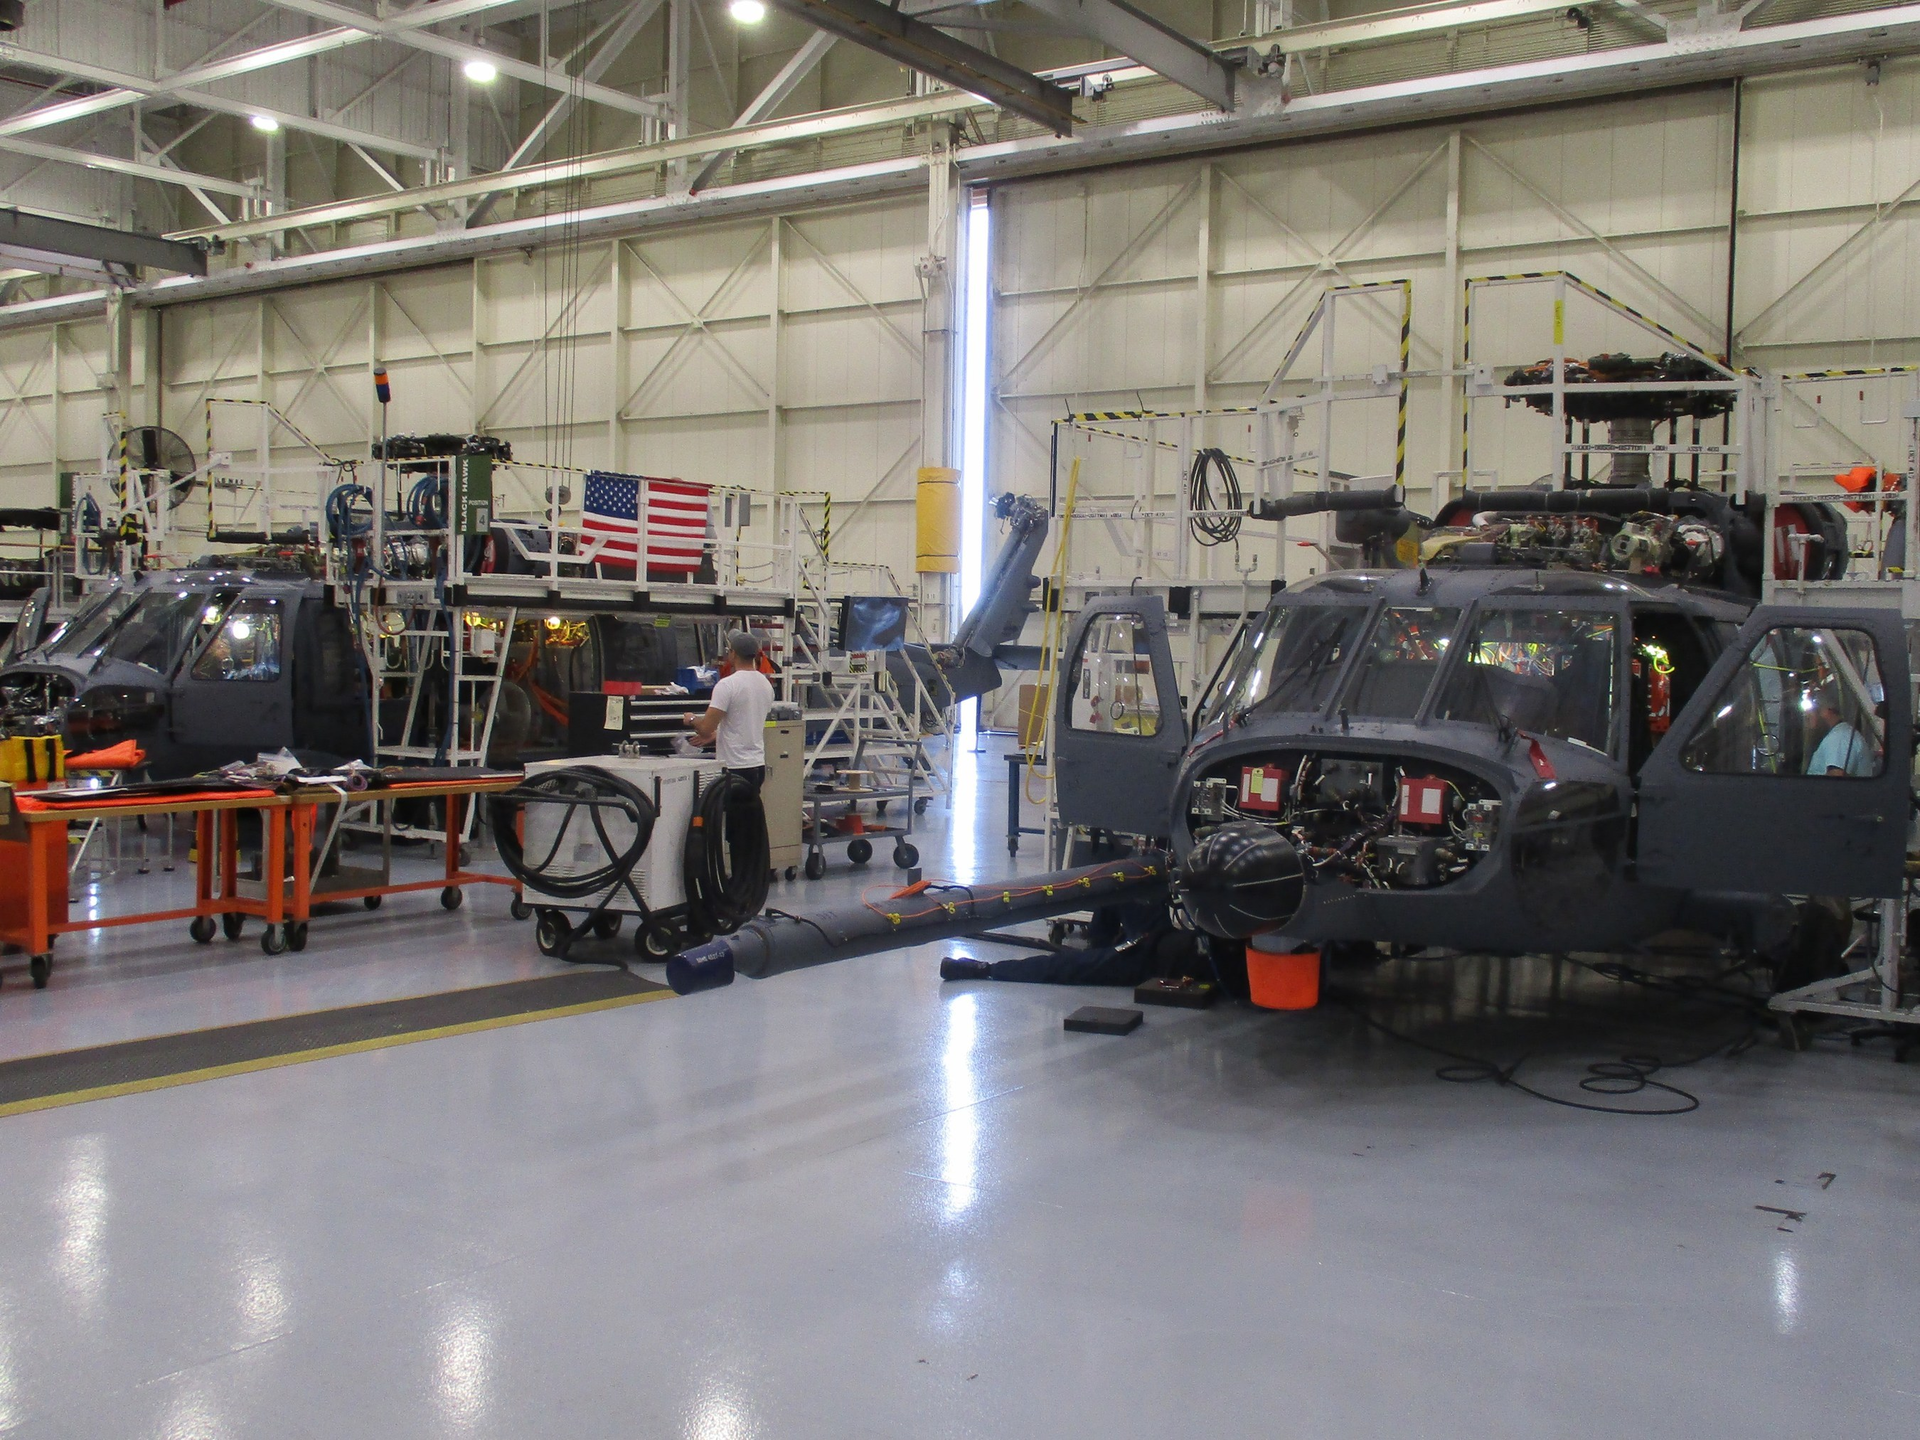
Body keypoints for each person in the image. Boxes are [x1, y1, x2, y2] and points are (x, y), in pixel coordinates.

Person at [684, 631, 775, 792]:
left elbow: (705, 728)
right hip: (757, 765)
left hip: (734, 767)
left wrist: (691, 719)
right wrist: (717, 735)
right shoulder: (765, 684)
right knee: (749, 815)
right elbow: (745, 722)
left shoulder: (727, 685)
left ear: (733, 653)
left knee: (731, 816)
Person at [1805, 685, 1876, 777]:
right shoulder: (1839, 734)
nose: (1807, 715)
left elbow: (1836, 779)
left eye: (1811, 712)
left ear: (1827, 711)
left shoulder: (1839, 737)